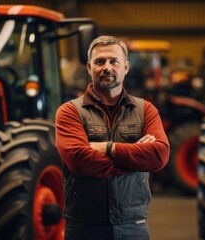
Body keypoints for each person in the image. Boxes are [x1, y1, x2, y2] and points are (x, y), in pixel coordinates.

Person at [55, 35, 170, 240]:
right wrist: (137, 160)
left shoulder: (146, 110)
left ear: (126, 67)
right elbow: (80, 161)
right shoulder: (69, 111)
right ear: (89, 68)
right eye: (100, 61)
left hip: (133, 225)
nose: (107, 67)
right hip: (84, 227)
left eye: (113, 61)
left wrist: (109, 148)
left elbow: (159, 155)